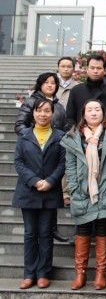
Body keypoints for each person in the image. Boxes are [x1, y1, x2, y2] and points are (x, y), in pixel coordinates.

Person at [60, 99, 106, 291]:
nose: (94, 113)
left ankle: (101, 273)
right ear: (83, 114)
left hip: (105, 188)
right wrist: (74, 186)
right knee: (83, 230)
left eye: (97, 110)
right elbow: (70, 165)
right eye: (89, 110)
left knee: (102, 229)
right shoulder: (74, 136)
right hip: (82, 189)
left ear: (103, 113)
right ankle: (80, 273)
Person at [13, 97, 66, 289]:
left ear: (52, 113)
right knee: (30, 233)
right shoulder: (24, 135)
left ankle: (43, 273)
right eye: (39, 110)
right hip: (28, 191)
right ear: (33, 113)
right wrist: (34, 181)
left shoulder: (60, 136)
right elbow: (18, 162)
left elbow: (63, 163)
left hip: (50, 192)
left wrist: (50, 181)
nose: (43, 114)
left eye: (46, 111)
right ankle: (29, 273)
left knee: (45, 233)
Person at [14, 72, 68, 243]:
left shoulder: (58, 106)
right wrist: (32, 140)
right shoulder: (31, 102)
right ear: (40, 84)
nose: (50, 85)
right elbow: (19, 125)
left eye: (53, 83)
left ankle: (53, 228)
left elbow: (65, 126)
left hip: (54, 149)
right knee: (31, 232)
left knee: (49, 212)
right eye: (46, 82)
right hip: (34, 151)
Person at [66, 54, 106, 129]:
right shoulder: (76, 91)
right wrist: (77, 133)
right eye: (92, 68)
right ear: (87, 69)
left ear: (104, 71)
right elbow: (70, 117)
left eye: (99, 68)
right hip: (80, 134)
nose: (95, 71)